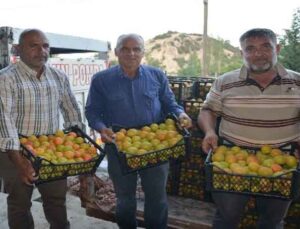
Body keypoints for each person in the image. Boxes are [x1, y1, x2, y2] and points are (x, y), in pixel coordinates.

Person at [85, 33, 192, 229]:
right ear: (116, 52)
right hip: (119, 146)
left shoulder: (157, 75)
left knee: (157, 198)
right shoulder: (101, 79)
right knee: (125, 199)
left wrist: (181, 115)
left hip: (155, 146)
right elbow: (92, 111)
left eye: (136, 49)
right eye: (125, 49)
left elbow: (170, 104)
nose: (131, 53)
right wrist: (101, 128)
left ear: (143, 52)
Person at [198, 28, 300, 229]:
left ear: (277, 48)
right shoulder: (225, 82)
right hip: (231, 161)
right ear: (241, 53)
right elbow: (207, 110)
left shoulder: (297, 81)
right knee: (227, 218)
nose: (258, 53)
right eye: (250, 48)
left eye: (265, 47)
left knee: (272, 221)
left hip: (283, 164)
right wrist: (210, 132)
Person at [0, 29, 83, 229]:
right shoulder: (6, 78)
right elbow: (5, 121)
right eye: (33, 45)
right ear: (17, 49)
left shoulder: (58, 76)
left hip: (51, 150)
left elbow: (72, 111)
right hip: (15, 151)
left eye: (45, 45)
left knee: (56, 200)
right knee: (19, 203)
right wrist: (20, 163)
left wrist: (77, 145)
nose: (41, 50)